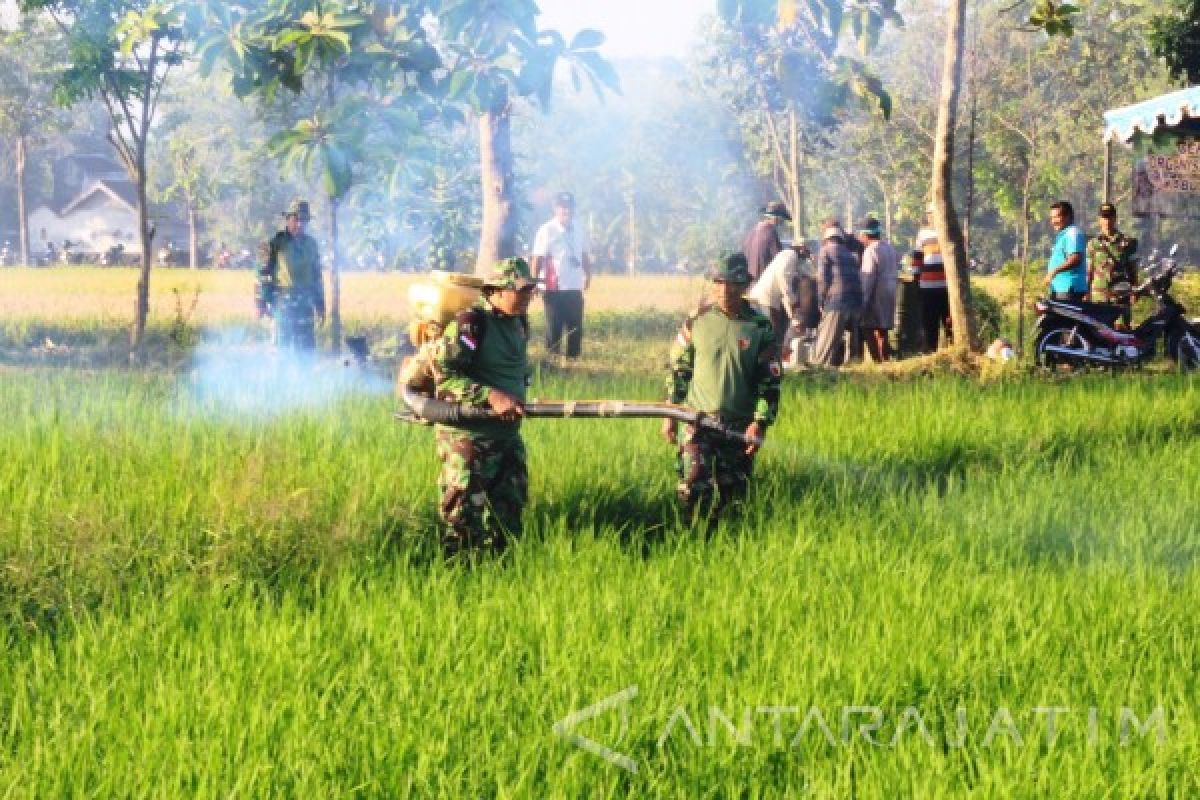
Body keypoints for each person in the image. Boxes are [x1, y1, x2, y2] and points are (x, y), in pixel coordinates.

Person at [429, 257, 536, 556]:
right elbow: (445, 378)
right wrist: (491, 396)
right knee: (463, 521)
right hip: (469, 439)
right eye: (521, 290)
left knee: (509, 519)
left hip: (506, 437)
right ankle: (458, 585)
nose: (528, 296)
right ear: (497, 291)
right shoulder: (471, 324)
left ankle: (501, 583)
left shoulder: (519, 323)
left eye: (530, 290)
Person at [663, 252, 781, 515]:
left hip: (738, 425)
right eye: (719, 283)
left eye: (732, 284)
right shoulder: (697, 320)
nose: (725, 290)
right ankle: (691, 538)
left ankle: (728, 542)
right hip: (697, 420)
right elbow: (679, 371)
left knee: (734, 497)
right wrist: (670, 413)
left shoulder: (760, 328)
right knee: (693, 487)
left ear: (744, 286)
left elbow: (769, 382)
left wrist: (759, 422)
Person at [256, 199, 326, 351]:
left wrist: (320, 304)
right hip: (282, 303)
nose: (300, 224)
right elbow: (261, 274)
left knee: (306, 351)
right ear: (288, 219)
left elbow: (317, 276)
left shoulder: (311, 244)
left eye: (304, 220)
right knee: (282, 350)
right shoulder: (275, 243)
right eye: (297, 219)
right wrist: (260, 303)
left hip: (306, 303)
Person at [532, 191, 591, 358]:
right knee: (554, 327)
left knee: (575, 327)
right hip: (553, 287)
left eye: (569, 207)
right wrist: (534, 281)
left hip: (574, 285)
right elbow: (538, 258)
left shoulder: (579, 228)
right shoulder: (547, 230)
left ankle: (573, 360)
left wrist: (588, 274)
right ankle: (552, 361)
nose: (567, 211)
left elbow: (584, 254)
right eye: (563, 207)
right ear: (555, 209)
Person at [809, 221, 863, 367]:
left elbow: (823, 280)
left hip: (837, 301)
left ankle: (819, 371)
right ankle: (854, 369)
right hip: (856, 301)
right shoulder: (849, 253)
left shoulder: (825, 251)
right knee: (852, 346)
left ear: (826, 239)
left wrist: (820, 301)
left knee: (826, 342)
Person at [745, 240, 813, 352]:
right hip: (765, 299)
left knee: (770, 333)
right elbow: (785, 283)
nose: (804, 256)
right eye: (805, 252)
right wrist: (794, 306)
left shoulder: (786, 255)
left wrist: (793, 316)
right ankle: (769, 364)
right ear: (801, 249)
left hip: (765, 298)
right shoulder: (790, 255)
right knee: (769, 335)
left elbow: (785, 288)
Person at [1086, 202, 1138, 327]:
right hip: (1099, 295)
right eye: (1104, 217)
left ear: (1115, 218)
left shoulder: (1127, 243)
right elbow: (1089, 270)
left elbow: (1132, 268)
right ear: (1099, 220)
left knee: (1121, 329)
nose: (1107, 221)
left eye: (1110, 217)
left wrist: (1135, 290)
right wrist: (1086, 293)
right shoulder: (1093, 244)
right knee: (1099, 331)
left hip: (1120, 295)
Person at [856, 217, 899, 362]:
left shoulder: (870, 251)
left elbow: (868, 278)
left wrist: (863, 302)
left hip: (876, 293)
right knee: (883, 328)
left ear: (865, 235)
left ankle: (877, 361)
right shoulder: (889, 248)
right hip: (891, 292)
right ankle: (885, 360)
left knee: (867, 327)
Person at [914, 205, 951, 352]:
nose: (931, 217)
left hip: (947, 287)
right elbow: (917, 258)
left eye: (933, 214)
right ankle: (931, 352)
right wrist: (917, 279)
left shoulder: (949, 231)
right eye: (929, 214)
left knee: (949, 322)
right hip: (927, 287)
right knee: (930, 323)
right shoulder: (922, 234)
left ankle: (953, 350)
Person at [1044, 200, 1088, 302]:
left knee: (1066, 318)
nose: (1053, 221)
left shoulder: (1073, 233)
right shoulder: (1063, 235)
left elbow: (1075, 258)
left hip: (1069, 289)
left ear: (1068, 216)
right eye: (1052, 218)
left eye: (1057, 217)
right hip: (1061, 289)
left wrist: (1054, 271)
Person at [742, 201, 790, 282]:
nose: (781, 222)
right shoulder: (771, 233)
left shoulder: (751, 232)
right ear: (775, 218)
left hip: (749, 283)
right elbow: (780, 260)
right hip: (763, 283)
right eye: (781, 219)